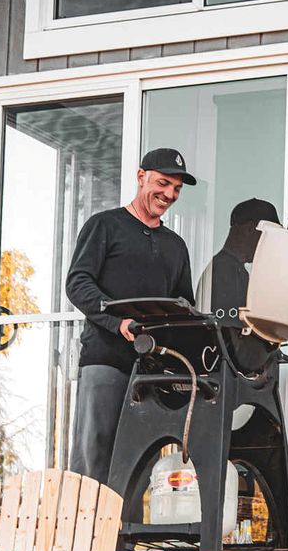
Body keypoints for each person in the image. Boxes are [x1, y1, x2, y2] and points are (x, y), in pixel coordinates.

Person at [65, 148, 197, 485]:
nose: (169, 194)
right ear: (141, 177)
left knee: (141, 460)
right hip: (106, 361)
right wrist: (116, 322)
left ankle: (125, 538)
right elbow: (78, 283)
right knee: (95, 454)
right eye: (163, 183)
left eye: (177, 189)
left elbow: (184, 306)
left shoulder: (176, 246)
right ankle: (88, 535)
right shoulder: (105, 226)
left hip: (153, 370)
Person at [197, 197, 281, 372]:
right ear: (250, 229)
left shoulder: (228, 268)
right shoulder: (225, 271)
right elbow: (231, 339)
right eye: (266, 236)